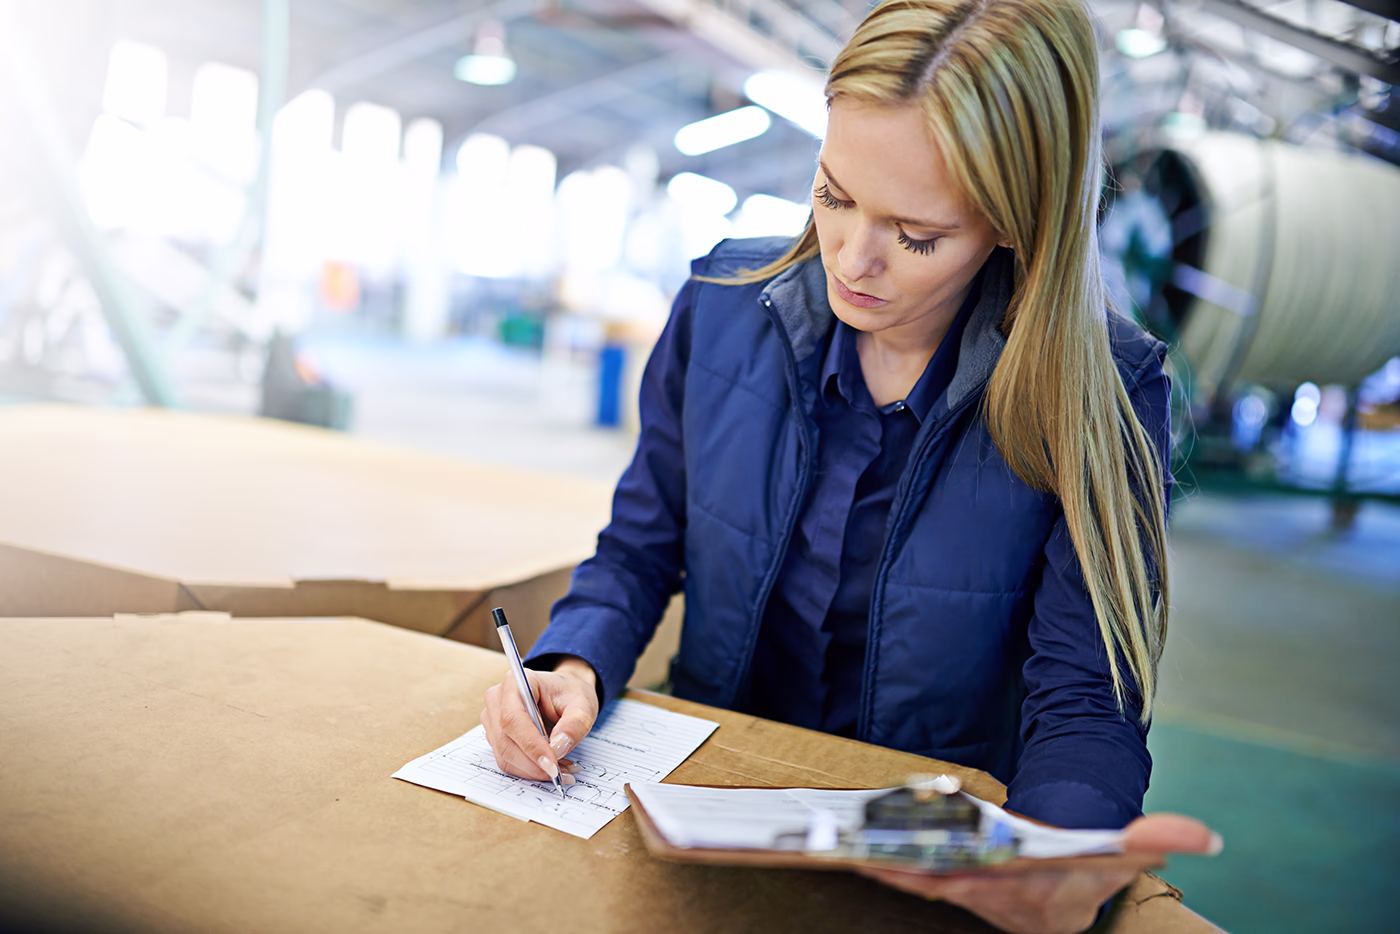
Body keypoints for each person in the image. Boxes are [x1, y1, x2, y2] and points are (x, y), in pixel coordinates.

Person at [482, 0, 1219, 930]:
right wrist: (571, 664)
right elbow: (637, 551)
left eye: (916, 236)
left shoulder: (1103, 395)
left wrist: (1054, 855)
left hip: (929, 853)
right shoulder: (719, 308)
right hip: (702, 815)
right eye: (833, 194)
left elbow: (1086, 698)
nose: (852, 259)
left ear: (1015, 222)